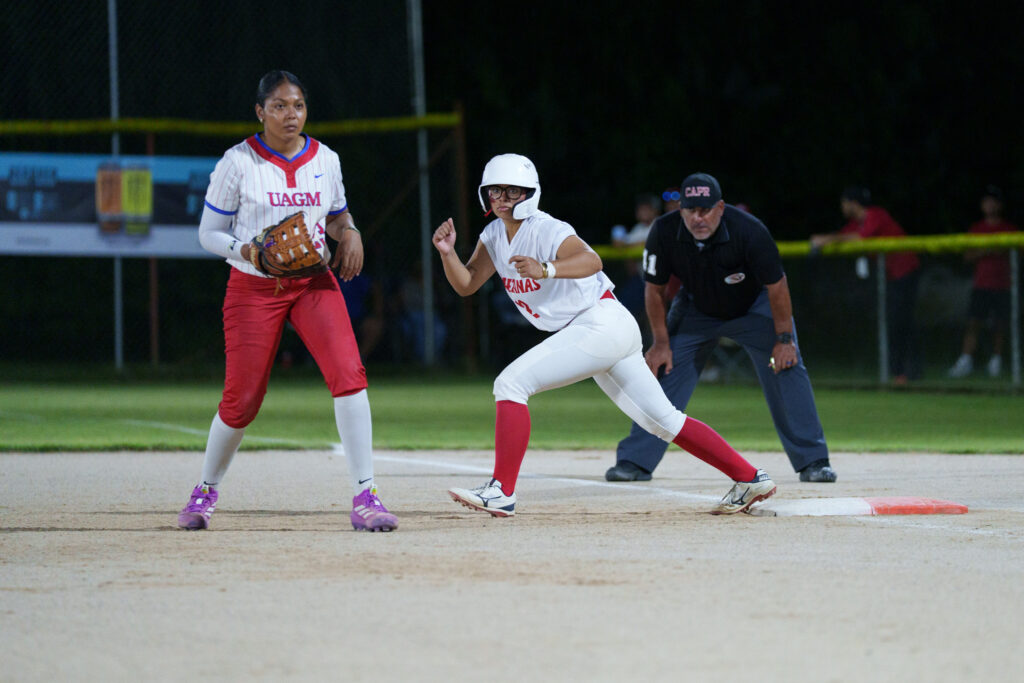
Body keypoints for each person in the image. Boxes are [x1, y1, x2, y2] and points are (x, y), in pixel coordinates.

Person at [432, 154, 777, 517]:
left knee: (511, 384)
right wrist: (447, 253)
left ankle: (501, 491)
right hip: (600, 329)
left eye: (512, 191)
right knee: (663, 421)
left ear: (529, 193)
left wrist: (545, 268)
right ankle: (749, 477)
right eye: (495, 190)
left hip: (599, 323)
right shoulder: (493, 235)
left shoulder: (545, 228)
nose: (502, 198)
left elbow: (592, 260)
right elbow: (467, 284)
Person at [177, 70, 397, 532]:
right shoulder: (237, 162)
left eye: (297, 105)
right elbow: (208, 234)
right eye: (278, 106)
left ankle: (366, 495)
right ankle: (205, 491)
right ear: (260, 112)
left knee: (349, 375)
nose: (290, 114)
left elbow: (336, 217)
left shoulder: (326, 159)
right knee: (242, 399)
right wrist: (248, 251)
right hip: (253, 286)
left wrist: (350, 231)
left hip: (312, 282)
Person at [606, 173, 836, 484]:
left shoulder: (749, 230)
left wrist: (784, 339)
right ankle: (635, 460)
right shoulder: (664, 230)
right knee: (663, 371)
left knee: (786, 366)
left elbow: (777, 285)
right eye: (691, 210)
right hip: (696, 309)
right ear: (680, 210)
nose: (698, 218)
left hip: (754, 307)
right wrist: (660, 343)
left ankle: (814, 461)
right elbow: (654, 291)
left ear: (721, 207)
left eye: (706, 210)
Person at [810, 186, 921, 384]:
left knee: (901, 322)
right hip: (890, 277)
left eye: (844, 202)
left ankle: (907, 373)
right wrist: (823, 240)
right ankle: (900, 373)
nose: (842, 207)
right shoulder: (855, 224)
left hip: (905, 271)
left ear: (853, 203)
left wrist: (825, 239)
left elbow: (860, 238)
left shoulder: (876, 214)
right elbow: (844, 236)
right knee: (894, 322)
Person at [948, 185, 1019, 378]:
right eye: (986, 201)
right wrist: (988, 250)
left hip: (1003, 285)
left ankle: (996, 361)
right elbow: (967, 256)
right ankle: (965, 360)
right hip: (981, 285)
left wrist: (1000, 250)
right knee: (973, 322)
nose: (990, 205)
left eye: (994, 201)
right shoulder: (977, 229)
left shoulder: (1009, 229)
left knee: (1000, 324)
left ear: (1000, 205)